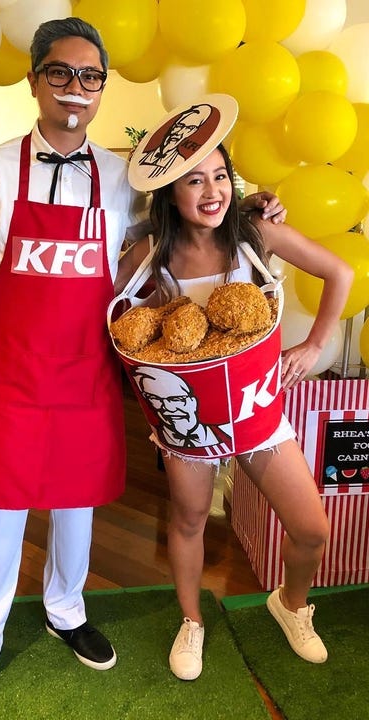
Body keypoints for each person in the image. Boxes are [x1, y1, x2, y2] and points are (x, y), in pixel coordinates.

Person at [0, 18, 287, 717]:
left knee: (77, 506)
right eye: (60, 73)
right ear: (36, 80)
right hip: (8, 373)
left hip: (88, 373)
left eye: (90, 76)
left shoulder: (124, 182)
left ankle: (67, 611)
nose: (75, 88)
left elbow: (192, 218)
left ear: (101, 88)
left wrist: (254, 208)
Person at [116, 98, 354, 681]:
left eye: (220, 175)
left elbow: (338, 272)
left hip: (256, 414)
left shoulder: (255, 235)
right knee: (191, 521)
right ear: (169, 191)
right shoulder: (153, 256)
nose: (211, 190)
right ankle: (192, 620)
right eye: (193, 179)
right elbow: (118, 317)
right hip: (188, 426)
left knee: (312, 528)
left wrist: (313, 346)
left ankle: (291, 605)